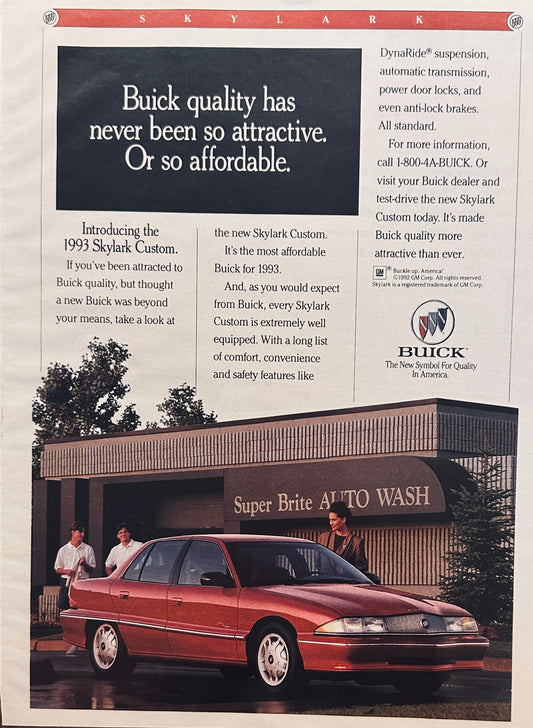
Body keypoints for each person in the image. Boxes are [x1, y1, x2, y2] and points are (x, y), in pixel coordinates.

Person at [54, 520, 96, 654]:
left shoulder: (88, 549)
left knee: (80, 612)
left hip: (82, 584)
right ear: (73, 532)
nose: (82, 534)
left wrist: (84, 564)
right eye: (80, 531)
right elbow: (57, 568)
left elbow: (92, 569)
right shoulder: (63, 550)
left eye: (83, 532)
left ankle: (76, 643)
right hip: (67, 583)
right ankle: (72, 640)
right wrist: (66, 571)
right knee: (68, 611)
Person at [318, 500, 369, 573]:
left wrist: (346, 571)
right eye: (330, 520)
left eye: (334, 520)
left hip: (344, 582)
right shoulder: (323, 538)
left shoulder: (356, 542)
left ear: (343, 520)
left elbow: (362, 567)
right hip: (325, 581)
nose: (331, 523)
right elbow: (318, 562)